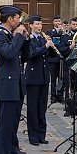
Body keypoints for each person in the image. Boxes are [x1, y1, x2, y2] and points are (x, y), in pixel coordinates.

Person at [0, 5, 28, 154]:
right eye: (18, 18)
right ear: (10, 19)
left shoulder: (10, 36)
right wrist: (18, 36)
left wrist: (25, 39)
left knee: (10, 125)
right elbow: (9, 54)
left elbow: (24, 56)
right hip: (6, 86)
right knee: (3, 128)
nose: (20, 21)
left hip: (14, 86)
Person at [24, 15, 52, 145]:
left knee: (42, 107)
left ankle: (42, 135)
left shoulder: (42, 38)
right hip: (33, 77)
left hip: (44, 77)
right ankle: (33, 136)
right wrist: (45, 47)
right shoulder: (28, 39)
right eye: (37, 24)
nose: (39, 27)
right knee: (32, 108)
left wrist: (51, 46)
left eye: (41, 24)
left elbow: (49, 55)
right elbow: (31, 54)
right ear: (30, 25)